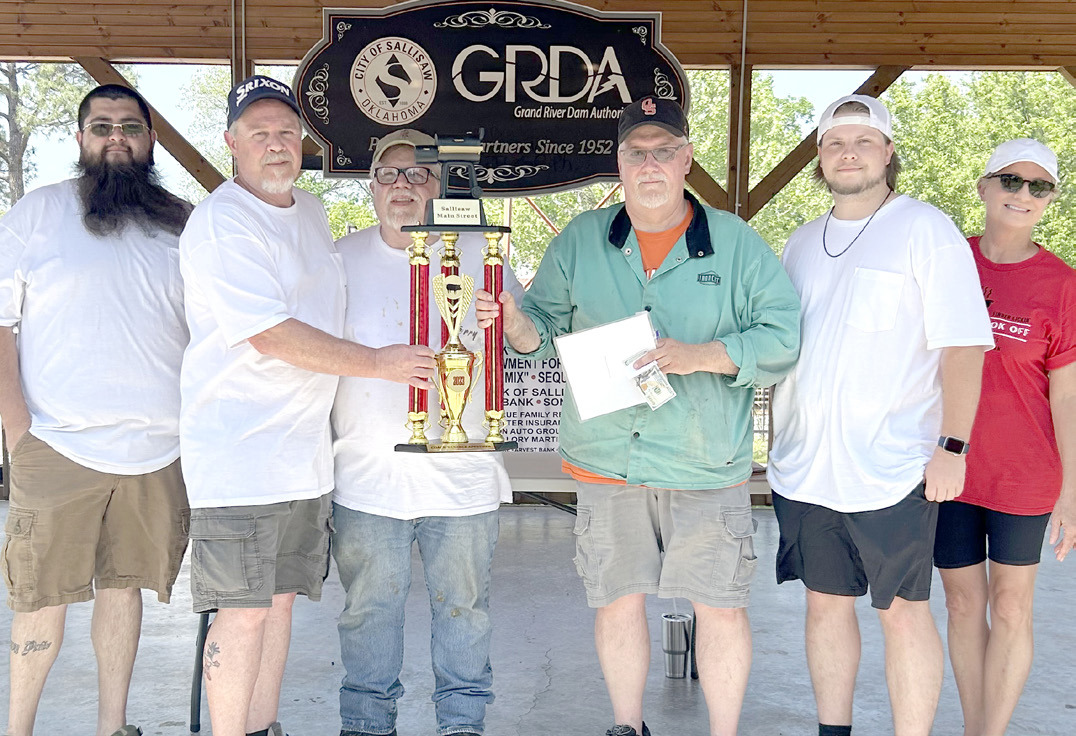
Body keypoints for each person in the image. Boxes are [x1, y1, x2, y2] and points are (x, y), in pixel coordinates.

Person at [476, 96, 801, 736]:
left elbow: (783, 338)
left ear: (685, 158)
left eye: (663, 151)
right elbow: (539, 330)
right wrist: (513, 318)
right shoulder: (578, 241)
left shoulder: (737, 243)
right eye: (635, 153)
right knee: (615, 603)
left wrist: (702, 354)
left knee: (721, 608)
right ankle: (627, 727)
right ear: (618, 163)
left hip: (704, 464)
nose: (649, 164)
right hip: (607, 462)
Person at [179, 76, 434, 736]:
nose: (276, 145)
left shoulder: (313, 214)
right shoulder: (222, 222)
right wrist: (381, 363)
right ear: (232, 143)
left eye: (287, 133)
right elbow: (268, 332)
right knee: (243, 614)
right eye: (259, 133)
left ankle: (263, 727)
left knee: (282, 605)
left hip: (305, 460)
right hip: (239, 459)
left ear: (303, 143)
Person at [766, 94, 994, 736]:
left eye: (864, 141)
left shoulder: (926, 228)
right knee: (824, 607)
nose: (849, 152)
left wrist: (953, 444)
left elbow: (963, 344)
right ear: (818, 157)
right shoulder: (802, 241)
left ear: (888, 152)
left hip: (893, 466)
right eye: (835, 142)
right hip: (807, 469)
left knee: (902, 611)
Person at [0, 84, 191, 736]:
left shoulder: (183, 222)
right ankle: (18, 729)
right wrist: (18, 431)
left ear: (150, 139)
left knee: (125, 587)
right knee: (39, 599)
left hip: (158, 450)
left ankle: (114, 728)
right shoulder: (38, 212)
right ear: (81, 140)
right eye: (102, 126)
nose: (117, 137)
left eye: (130, 126)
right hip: (57, 445)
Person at [331, 129, 523, 736]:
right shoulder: (338, 259)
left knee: (465, 613)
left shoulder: (483, 255)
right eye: (389, 175)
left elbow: (528, 343)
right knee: (368, 614)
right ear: (371, 187)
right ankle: (366, 727)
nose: (403, 187)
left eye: (417, 175)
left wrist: (512, 317)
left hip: (463, 480)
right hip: (367, 477)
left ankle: (462, 726)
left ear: (438, 186)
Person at [933, 138, 1076, 736]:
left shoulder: (1062, 285)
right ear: (984, 187)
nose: (1023, 195)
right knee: (963, 605)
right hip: (949, 467)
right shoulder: (948, 262)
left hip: (1025, 474)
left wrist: (1071, 488)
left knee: (1011, 604)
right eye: (1012, 181)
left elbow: (1066, 394)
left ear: (1051, 201)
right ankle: (973, 727)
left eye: (1039, 187)